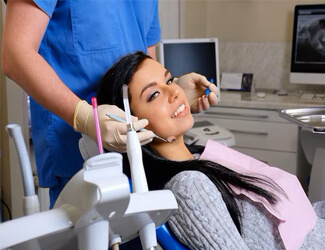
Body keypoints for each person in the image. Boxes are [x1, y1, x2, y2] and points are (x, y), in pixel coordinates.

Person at [97, 51, 325, 250]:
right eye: (154, 95)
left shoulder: (199, 157)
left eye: (169, 80)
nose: (175, 92)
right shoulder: (189, 187)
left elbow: (292, 220)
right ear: (132, 125)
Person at [1, 0, 218, 208]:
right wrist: (85, 117)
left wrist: (173, 91)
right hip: (80, 159)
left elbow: (146, 65)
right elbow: (15, 54)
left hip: (141, 159)